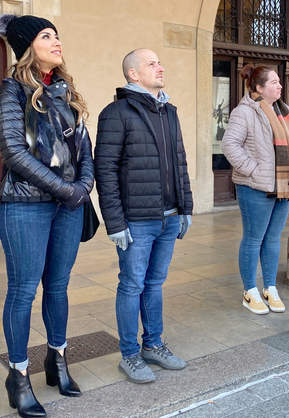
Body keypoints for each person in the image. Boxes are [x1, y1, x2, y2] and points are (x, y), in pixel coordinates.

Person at [0, 14, 94, 418]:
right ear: (27, 45)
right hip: (25, 207)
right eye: (46, 35)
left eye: (57, 35)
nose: (57, 41)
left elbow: (86, 149)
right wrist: (68, 190)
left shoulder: (67, 93)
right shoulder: (10, 93)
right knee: (22, 292)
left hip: (67, 207)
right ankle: (18, 376)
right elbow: (14, 153)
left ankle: (57, 360)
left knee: (59, 287)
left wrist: (83, 187)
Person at [94, 48, 193, 384]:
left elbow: (179, 162)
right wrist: (115, 223)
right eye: (152, 63)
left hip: (168, 216)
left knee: (154, 284)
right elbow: (104, 170)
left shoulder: (170, 112)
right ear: (133, 74)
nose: (160, 67)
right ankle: (129, 354)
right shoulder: (116, 113)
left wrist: (186, 208)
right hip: (136, 220)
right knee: (132, 284)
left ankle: (152, 344)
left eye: (160, 62)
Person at [221, 64, 289, 315]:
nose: (280, 86)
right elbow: (230, 145)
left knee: (272, 239)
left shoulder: (286, 111)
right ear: (258, 88)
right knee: (253, 239)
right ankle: (250, 291)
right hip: (255, 187)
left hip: (283, 185)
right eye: (274, 82)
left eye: (280, 81)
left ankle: (269, 288)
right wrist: (253, 170)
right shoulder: (244, 112)